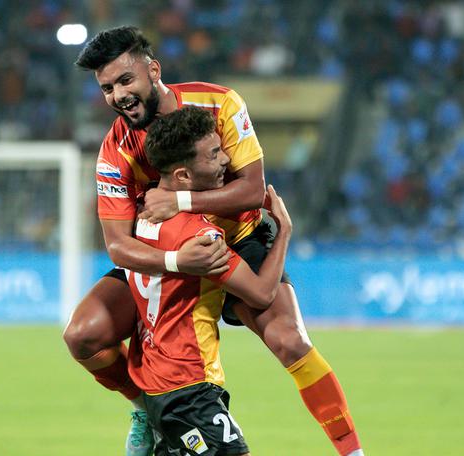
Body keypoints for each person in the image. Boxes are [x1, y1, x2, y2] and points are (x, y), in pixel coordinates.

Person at [64, 26, 363, 456]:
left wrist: (180, 200)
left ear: (153, 70)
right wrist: (179, 261)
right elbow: (117, 245)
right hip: (175, 255)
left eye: (125, 80)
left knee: (290, 340)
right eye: (107, 88)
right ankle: (144, 410)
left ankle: (353, 452)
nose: (118, 96)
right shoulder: (116, 149)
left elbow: (253, 189)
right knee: (83, 334)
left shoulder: (220, 102)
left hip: (237, 238)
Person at [128, 106, 293, 455]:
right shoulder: (200, 239)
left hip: (156, 381)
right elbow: (262, 294)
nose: (226, 160)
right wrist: (284, 233)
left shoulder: (142, 214)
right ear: (184, 177)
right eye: (214, 153)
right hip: (187, 384)